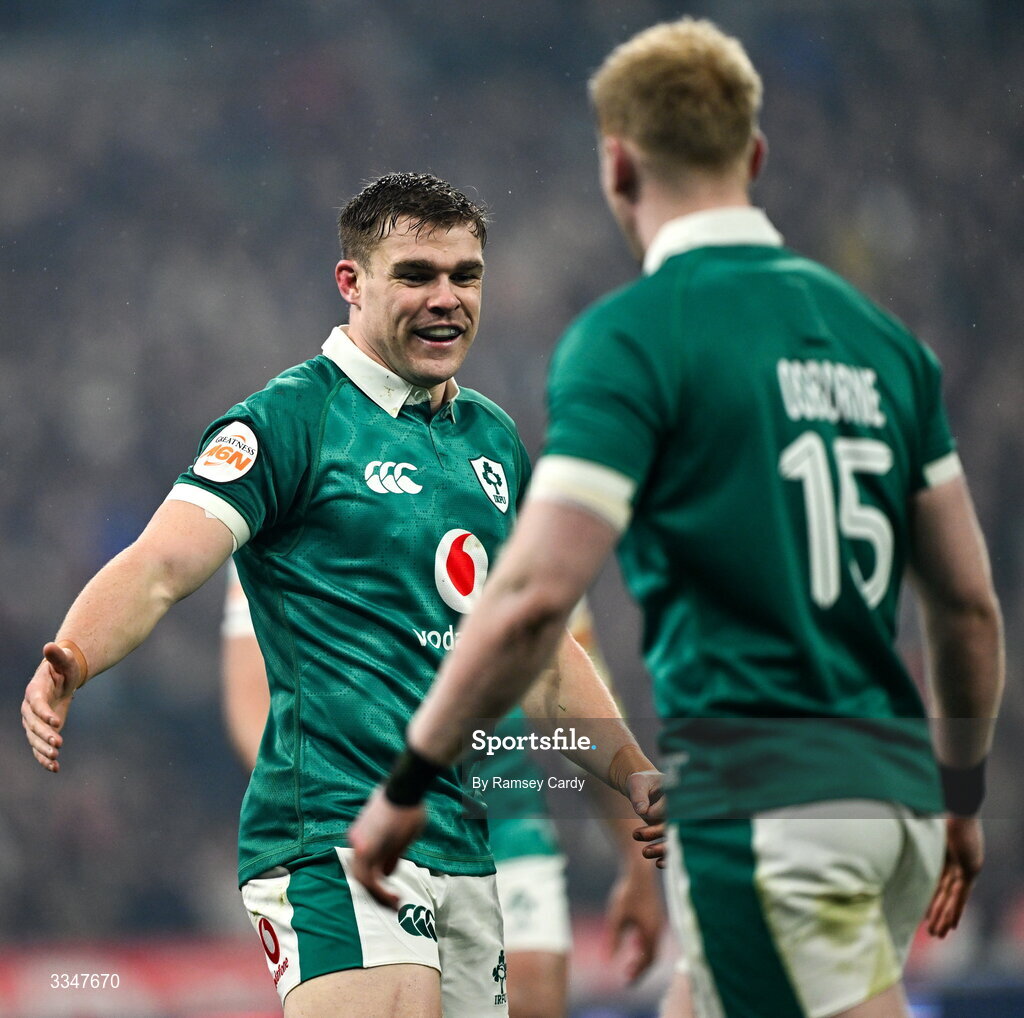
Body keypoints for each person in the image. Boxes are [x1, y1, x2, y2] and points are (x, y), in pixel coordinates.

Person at [347, 22, 1005, 1018]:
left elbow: (528, 601)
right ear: (753, 156)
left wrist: (407, 780)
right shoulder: (883, 344)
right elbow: (965, 605)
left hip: (769, 799)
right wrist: (961, 790)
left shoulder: (635, 337)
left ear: (616, 161)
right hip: (896, 790)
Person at [21, 172, 665, 1018]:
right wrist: (73, 654)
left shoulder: (494, 442)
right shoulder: (289, 421)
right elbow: (161, 565)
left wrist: (630, 769)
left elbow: (538, 653)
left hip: (465, 847)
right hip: (330, 832)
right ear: (351, 282)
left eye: (465, 276)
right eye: (416, 275)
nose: (447, 299)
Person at [222, 565, 665, 1018]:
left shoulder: (543, 520)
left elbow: (568, 683)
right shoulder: (292, 507)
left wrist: (637, 863)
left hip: (500, 815)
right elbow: (252, 696)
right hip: (358, 810)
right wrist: (322, 798)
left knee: (529, 993)